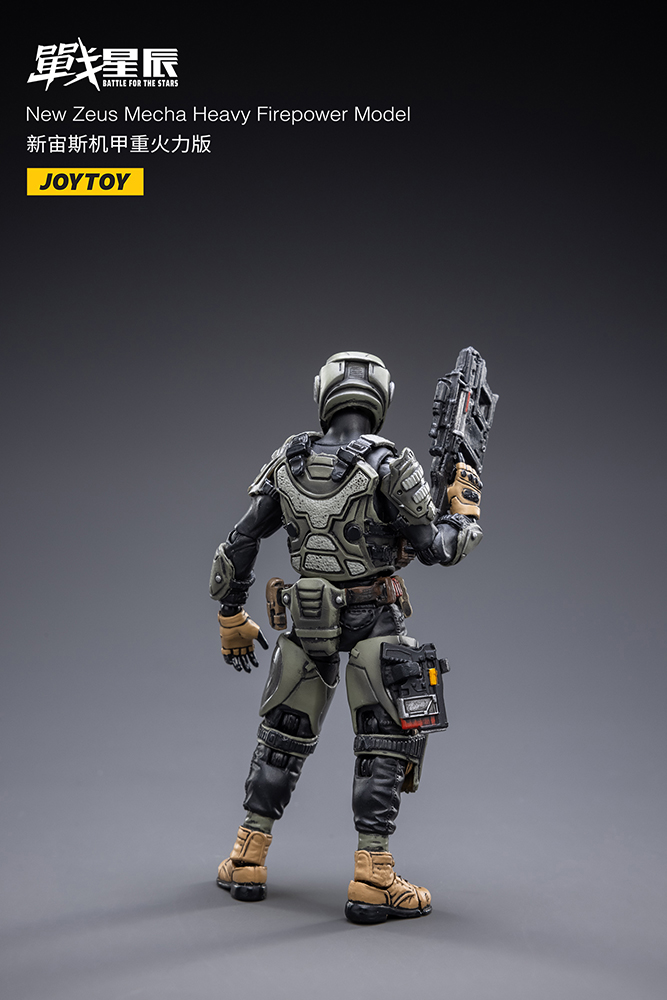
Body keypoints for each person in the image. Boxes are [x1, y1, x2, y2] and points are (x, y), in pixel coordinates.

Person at [209, 351, 483, 923]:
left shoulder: (289, 459)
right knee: (384, 743)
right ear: (381, 399)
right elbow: (437, 548)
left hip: (306, 622)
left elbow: (240, 540)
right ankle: (373, 876)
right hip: (373, 621)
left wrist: (231, 615)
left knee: (281, 736)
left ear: (323, 395)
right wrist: (464, 510)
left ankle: (246, 857)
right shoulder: (390, 464)